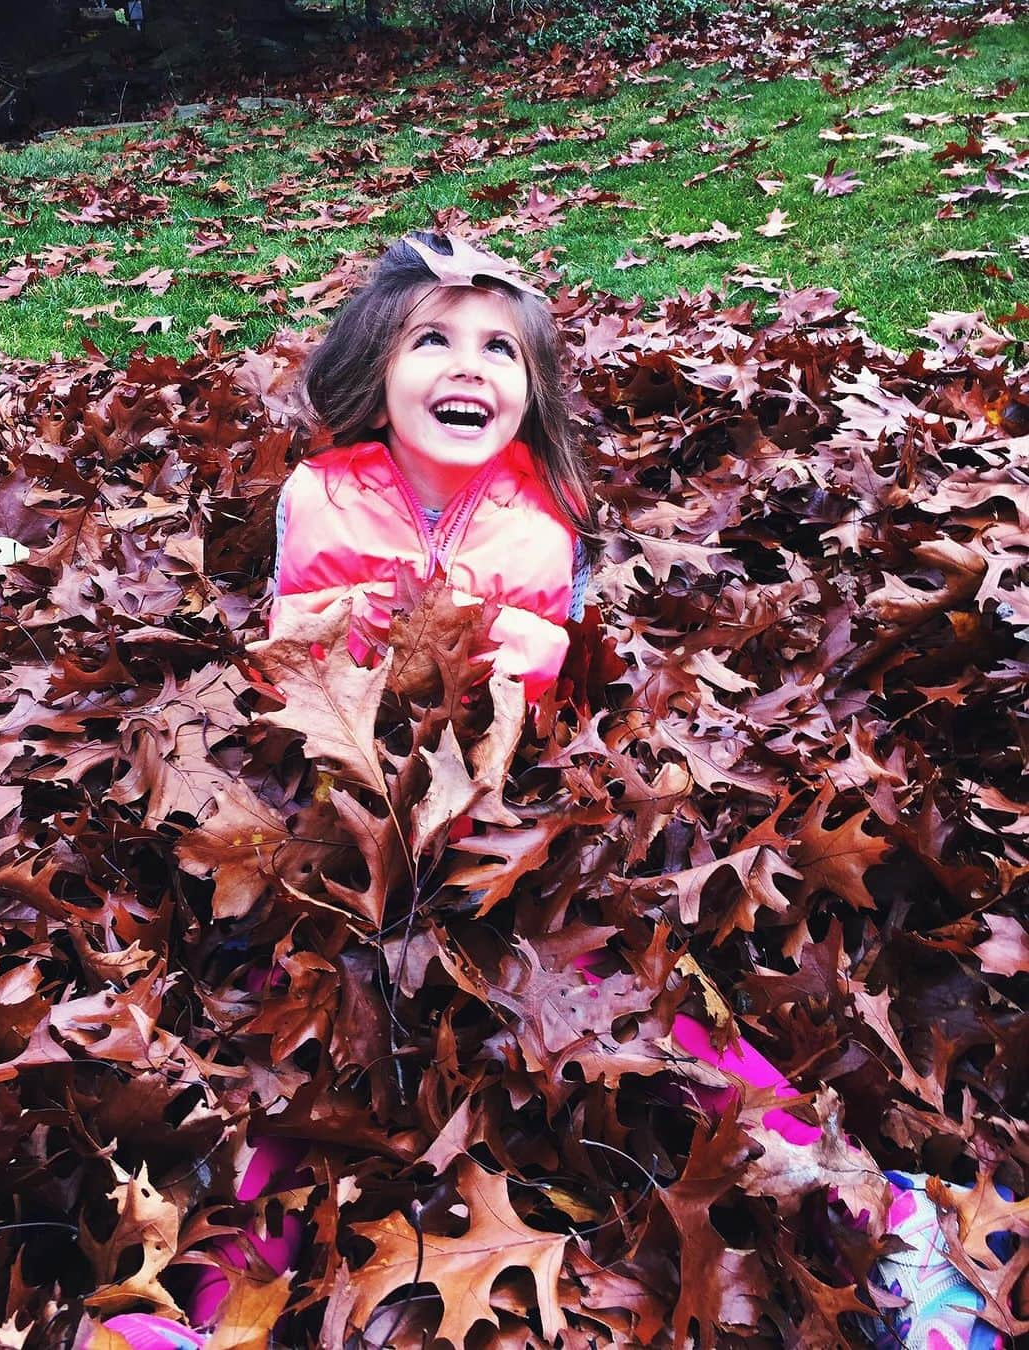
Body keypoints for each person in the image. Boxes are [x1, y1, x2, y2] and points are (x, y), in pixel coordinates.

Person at [92, 234, 1008, 1350]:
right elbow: (290, 650)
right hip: (352, 832)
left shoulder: (543, 517)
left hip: (505, 831)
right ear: (375, 366)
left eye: (499, 349)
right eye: (432, 339)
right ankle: (210, 1308)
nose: (466, 366)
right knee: (305, 1058)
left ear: (531, 395)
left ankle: (880, 1215)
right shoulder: (320, 495)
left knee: (642, 1013)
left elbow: (555, 677)